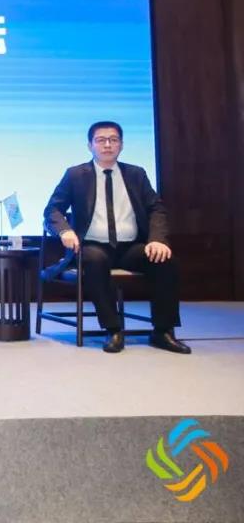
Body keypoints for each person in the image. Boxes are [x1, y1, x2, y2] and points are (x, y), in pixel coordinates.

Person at [44, 121, 189, 354]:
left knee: (165, 261)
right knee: (95, 260)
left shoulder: (136, 174)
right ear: (90, 145)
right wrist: (65, 230)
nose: (107, 145)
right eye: (101, 140)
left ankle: (163, 331)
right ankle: (113, 329)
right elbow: (52, 210)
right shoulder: (75, 175)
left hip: (130, 247)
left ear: (121, 145)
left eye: (113, 140)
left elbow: (156, 209)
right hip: (92, 245)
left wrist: (157, 239)